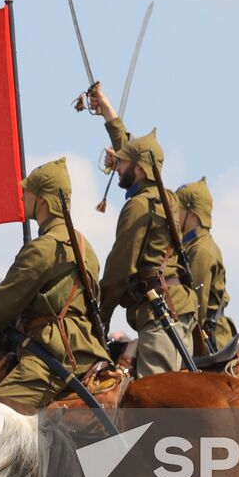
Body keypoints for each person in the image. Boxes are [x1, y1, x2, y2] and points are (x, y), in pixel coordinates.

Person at [0, 159, 111, 407]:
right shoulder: (84, 246)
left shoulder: (43, 248)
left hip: (53, 355)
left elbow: (3, 303)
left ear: (43, 202)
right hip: (83, 347)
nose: (22, 195)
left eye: (28, 192)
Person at [83, 87, 197, 375]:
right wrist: (108, 113)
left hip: (160, 318)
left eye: (121, 163)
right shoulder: (166, 196)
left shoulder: (138, 207)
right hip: (173, 310)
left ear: (141, 169)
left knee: (153, 412)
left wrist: (100, 317)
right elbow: (136, 151)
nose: (115, 166)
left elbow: (119, 268)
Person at [175, 178, 234, 347]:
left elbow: (196, 308)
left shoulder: (202, 250)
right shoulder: (191, 245)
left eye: (177, 209)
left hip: (209, 341)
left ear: (192, 214)